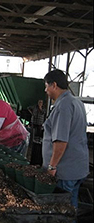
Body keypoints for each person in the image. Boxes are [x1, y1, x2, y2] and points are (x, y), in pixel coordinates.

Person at [42, 69, 89, 210]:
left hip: (64, 171)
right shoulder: (77, 102)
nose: (46, 90)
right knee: (70, 207)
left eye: (46, 86)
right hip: (77, 168)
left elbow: (61, 141)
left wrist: (51, 166)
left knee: (60, 211)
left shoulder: (63, 106)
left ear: (54, 85)